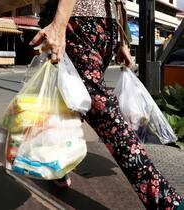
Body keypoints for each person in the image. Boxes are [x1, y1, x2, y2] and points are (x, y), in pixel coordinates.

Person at [30, 0, 183, 209]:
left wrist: (120, 41)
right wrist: (60, 25)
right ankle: (164, 200)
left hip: (90, 26)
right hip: (93, 26)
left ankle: (164, 201)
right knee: (92, 107)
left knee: (85, 104)